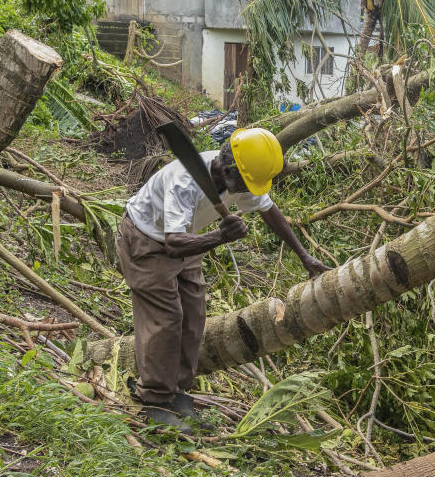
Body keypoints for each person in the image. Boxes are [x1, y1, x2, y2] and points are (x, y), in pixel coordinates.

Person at [115, 127, 330, 431]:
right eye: (248, 185)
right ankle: (154, 399)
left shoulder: (238, 176)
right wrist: (220, 237)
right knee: (165, 318)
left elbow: (269, 211)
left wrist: (304, 256)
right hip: (148, 241)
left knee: (194, 313)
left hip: (185, 238)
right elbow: (173, 243)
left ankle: (174, 391)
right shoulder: (185, 182)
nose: (251, 191)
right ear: (228, 169)